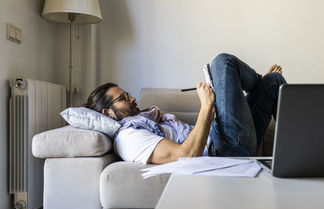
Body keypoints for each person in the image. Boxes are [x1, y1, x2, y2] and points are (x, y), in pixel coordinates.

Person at [85, 53, 286, 164]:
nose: (133, 98)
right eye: (123, 98)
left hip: (229, 139)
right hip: (223, 151)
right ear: (107, 112)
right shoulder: (129, 138)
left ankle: (298, 156)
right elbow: (187, 154)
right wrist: (207, 105)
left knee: (274, 82)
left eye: (128, 94)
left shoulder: (147, 119)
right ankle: (259, 81)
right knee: (222, 63)